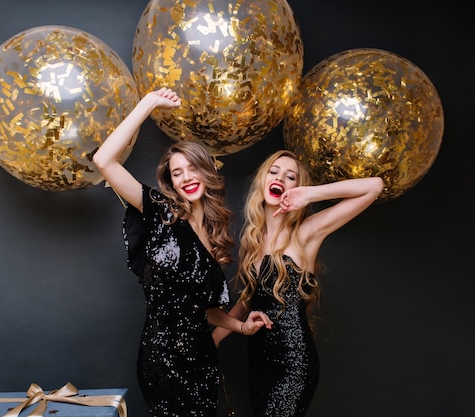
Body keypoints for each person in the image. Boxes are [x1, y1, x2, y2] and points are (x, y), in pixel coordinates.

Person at [92, 87, 273, 417]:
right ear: (171, 182)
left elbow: (204, 312)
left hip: (202, 360)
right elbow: (104, 160)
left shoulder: (215, 237)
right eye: (178, 172)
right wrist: (148, 103)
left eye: (193, 168)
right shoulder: (162, 212)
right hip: (162, 359)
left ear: (206, 172)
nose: (187, 177)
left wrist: (241, 327)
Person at [212, 150, 384, 417]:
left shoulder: (306, 233)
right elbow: (249, 301)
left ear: (296, 187)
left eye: (290, 176)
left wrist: (311, 194)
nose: (280, 177)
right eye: (274, 171)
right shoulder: (253, 241)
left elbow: (374, 186)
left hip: (293, 364)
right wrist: (215, 338)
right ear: (263, 180)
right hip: (258, 364)